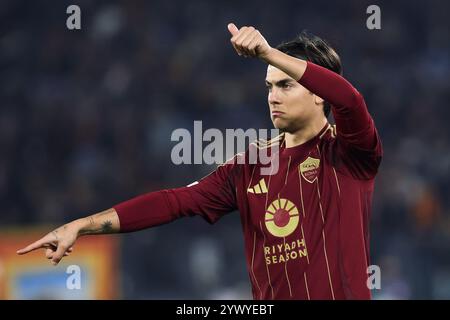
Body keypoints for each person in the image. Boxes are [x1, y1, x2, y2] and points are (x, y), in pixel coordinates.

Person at [17, 23, 382, 300]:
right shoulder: (251, 165)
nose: (273, 96)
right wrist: (83, 224)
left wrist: (268, 53)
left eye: (285, 85)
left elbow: (350, 100)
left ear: (319, 95)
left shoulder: (352, 153)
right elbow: (175, 202)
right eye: (269, 87)